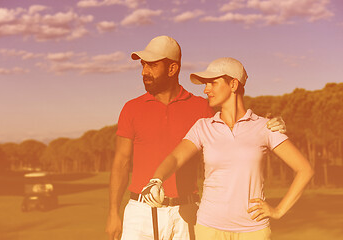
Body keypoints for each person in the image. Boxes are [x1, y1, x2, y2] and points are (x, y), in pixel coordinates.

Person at [105, 36, 286, 240]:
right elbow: (121, 162)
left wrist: (269, 123)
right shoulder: (132, 108)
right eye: (143, 65)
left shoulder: (201, 107)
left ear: (172, 69)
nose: (144, 72)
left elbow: (239, 125)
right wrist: (113, 212)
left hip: (188, 212)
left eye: (152, 65)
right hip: (141, 213)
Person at [141, 57, 314, 240]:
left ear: (233, 84)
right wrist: (156, 179)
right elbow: (175, 158)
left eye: (212, 83)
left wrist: (279, 210)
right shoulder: (203, 126)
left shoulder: (265, 127)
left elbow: (305, 170)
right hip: (209, 228)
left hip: (254, 230)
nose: (206, 89)